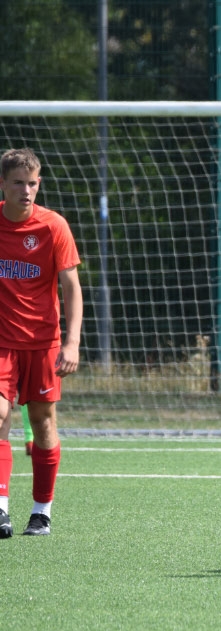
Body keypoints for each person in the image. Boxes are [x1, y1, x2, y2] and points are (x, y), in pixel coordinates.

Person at [0, 148, 83, 538]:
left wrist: (73, 343)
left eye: (32, 183)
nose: (26, 190)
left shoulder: (53, 226)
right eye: (18, 183)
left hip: (43, 342)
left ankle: (41, 512)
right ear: (3, 184)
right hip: (2, 343)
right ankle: (0, 507)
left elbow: (71, 287)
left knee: (42, 422)